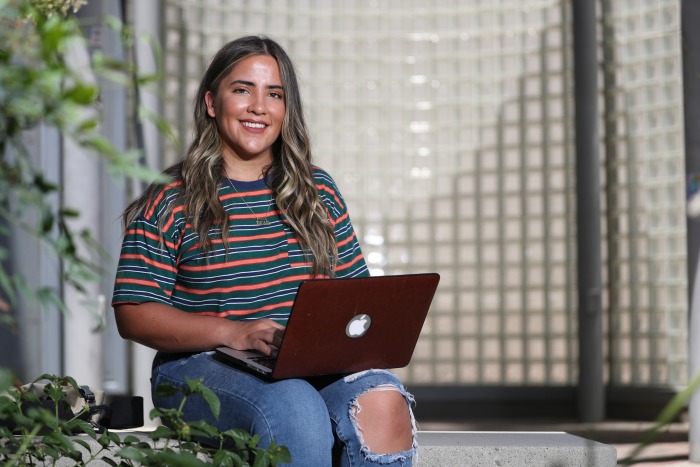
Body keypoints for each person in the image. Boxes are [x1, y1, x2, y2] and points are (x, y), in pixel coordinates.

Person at [111, 35, 417, 466]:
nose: (259, 106)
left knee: (382, 399)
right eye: (242, 90)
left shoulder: (317, 190)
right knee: (293, 406)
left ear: (285, 109)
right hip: (199, 366)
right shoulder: (171, 196)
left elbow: (355, 297)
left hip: (303, 363)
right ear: (212, 103)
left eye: (274, 94)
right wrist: (235, 332)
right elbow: (134, 312)